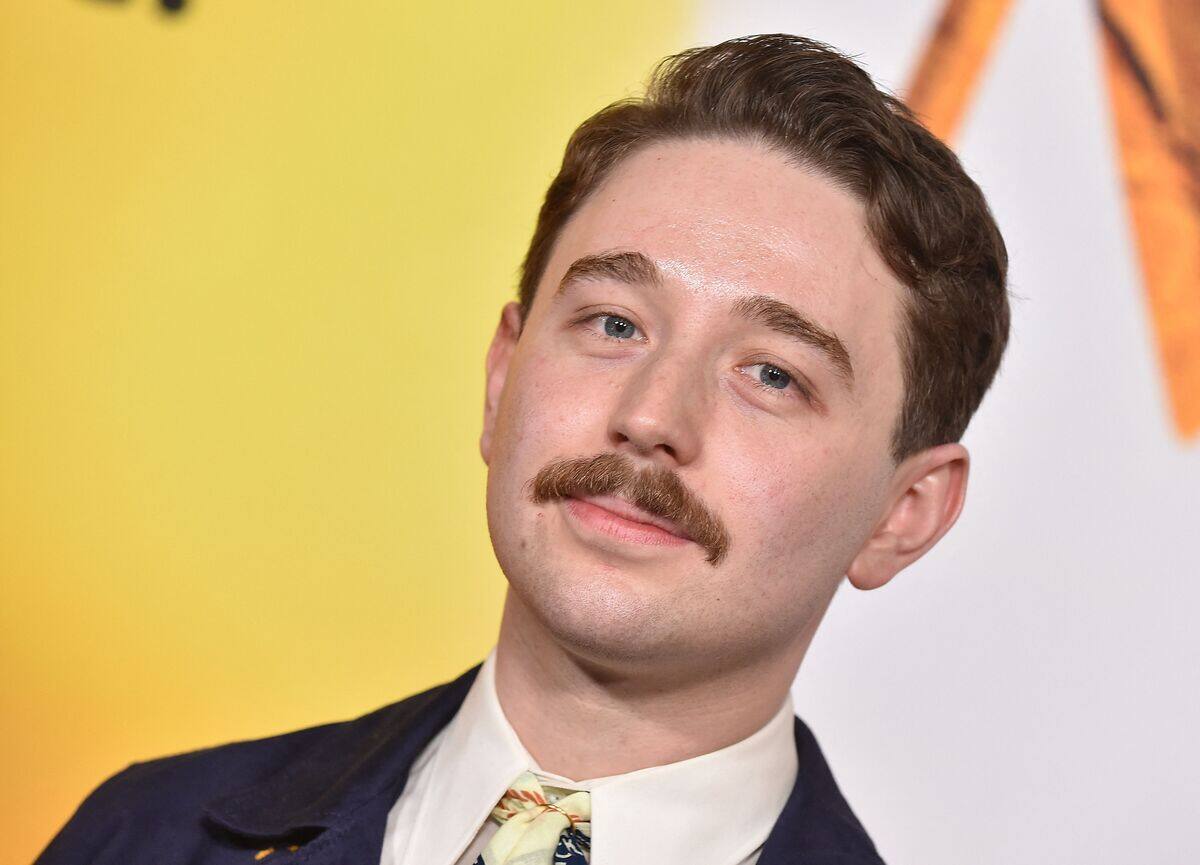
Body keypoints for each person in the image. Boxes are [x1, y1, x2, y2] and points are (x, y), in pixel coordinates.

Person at [36, 33, 1008, 865]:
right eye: (616, 323)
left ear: (903, 513)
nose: (651, 415)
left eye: (772, 375)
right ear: (503, 378)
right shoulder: (141, 834)